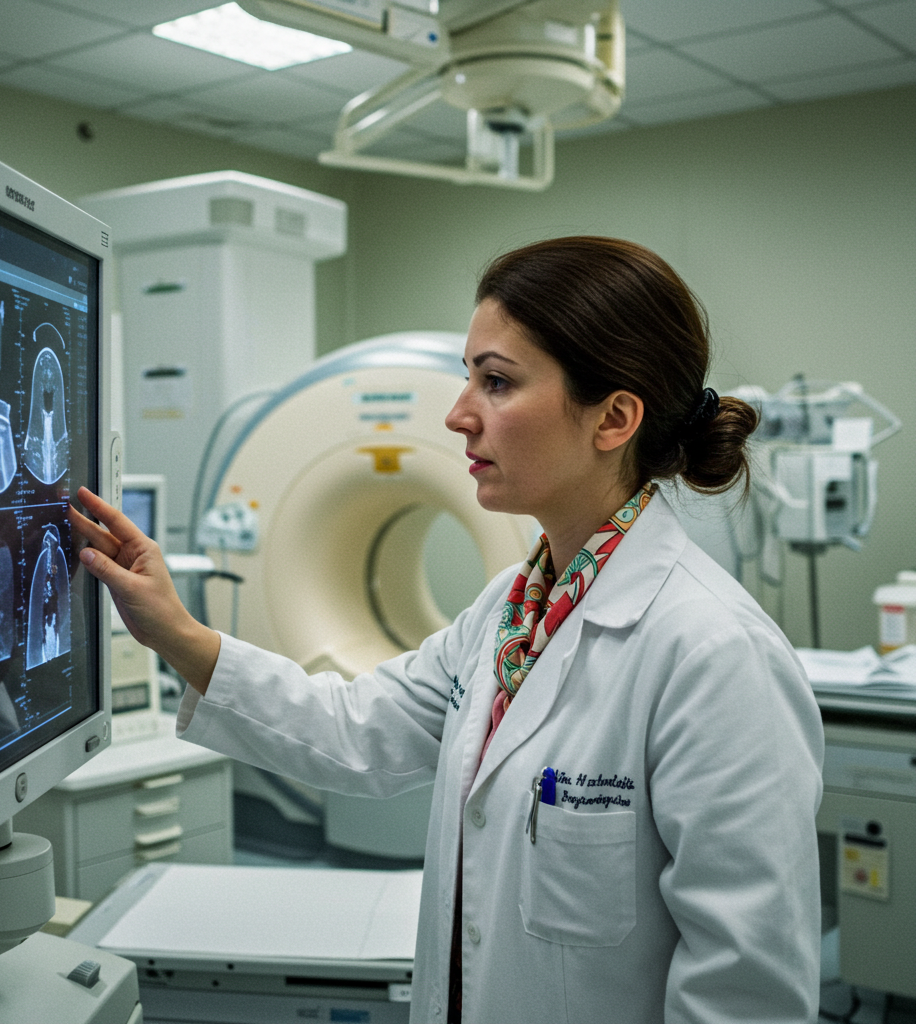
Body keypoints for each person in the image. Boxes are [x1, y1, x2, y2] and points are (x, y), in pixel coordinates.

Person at [71, 236, 824, 1024]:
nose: (458, 414)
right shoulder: (512, 609)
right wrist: (173, 630)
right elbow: (355, 729)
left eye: (496, 382)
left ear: (613, 418)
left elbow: (746, 994)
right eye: (469, 376)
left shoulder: (715, 656)